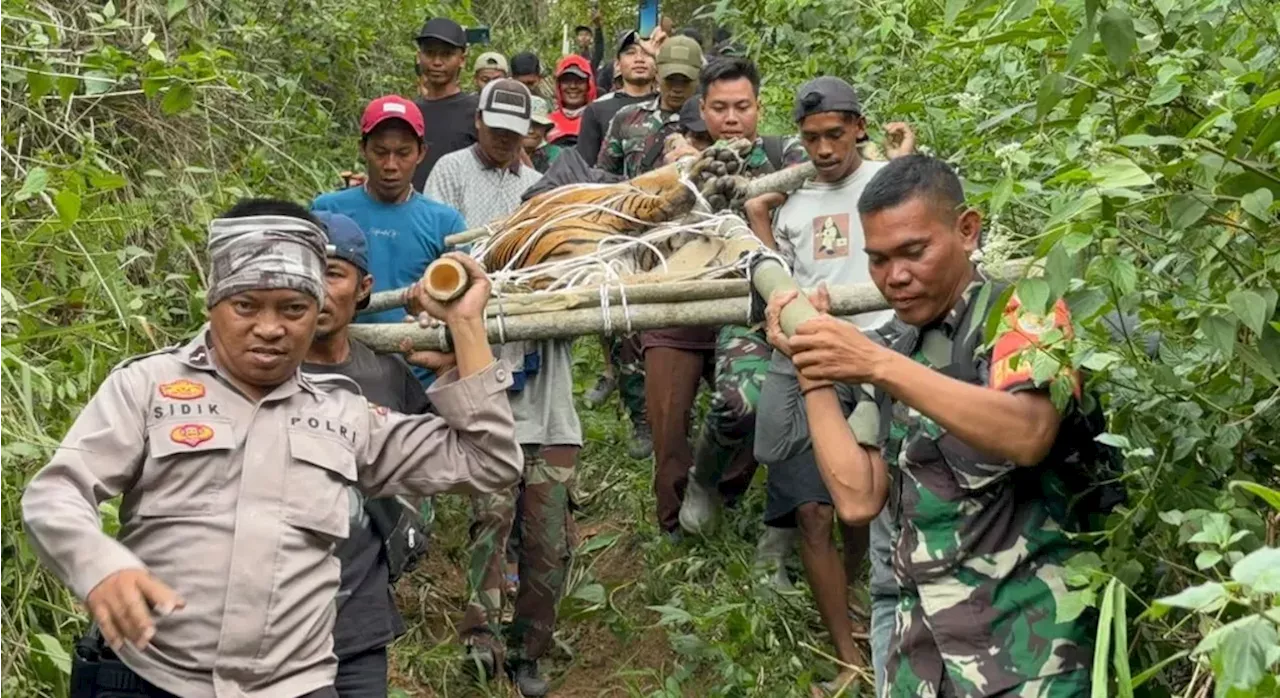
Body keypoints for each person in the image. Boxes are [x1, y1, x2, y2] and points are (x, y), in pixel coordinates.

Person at [22, 198, 521, 698]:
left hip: (295, 686)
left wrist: (466, 326)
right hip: (152, 679)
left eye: (293, 308)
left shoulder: (346, 413)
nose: (270, 327)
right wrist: (100, 567)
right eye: (246, 305)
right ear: (212, 302)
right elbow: (56, 494)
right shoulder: (148, 388)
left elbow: (489, 461)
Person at [764, 155, 1095, 697]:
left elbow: (1029, 432)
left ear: (967, 230)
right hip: (922, 657)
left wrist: (876, 366)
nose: (895, 276)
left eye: (914, 252)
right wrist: (813, 365)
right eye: (878, 260)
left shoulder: (1022, 312)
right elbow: (856, 497)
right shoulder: (897, 343)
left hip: (1030, 651)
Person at [748, 76, 914, 695]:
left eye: (834, 135)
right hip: (808, 353)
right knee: (810, 507)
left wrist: (907, 161)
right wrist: (760, 221)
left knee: (862, 507)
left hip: (878, 351)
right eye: (811, 138)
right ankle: (846, 652)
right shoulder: (789, 199)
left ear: (858, 127)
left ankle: (857, 609)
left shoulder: (883, 183)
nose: (822, 149)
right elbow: (776, 281)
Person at [424, 78, 572, 698]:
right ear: (477, 123)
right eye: (495, 131)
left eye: (516, 135)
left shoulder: (545, 192)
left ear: (529, 132)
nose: (505, 142)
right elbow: (441, 266)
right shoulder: (451, 176)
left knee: (550, 534)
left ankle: (530, 648)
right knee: (490, 516)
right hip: (483, 376)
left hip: (547, 388)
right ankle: (479, 638)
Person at [639, 56, 806, 545]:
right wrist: (677, 174)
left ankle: (721, 495)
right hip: (679, 308)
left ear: (758, 106)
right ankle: (673, 528)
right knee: (668, 421)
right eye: (719, 108)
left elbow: (827, 167)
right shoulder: (676, 160)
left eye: (742, 106)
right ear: (703, 108)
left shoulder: (784, 154)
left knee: (746, 409)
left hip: (751, 309)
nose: (731, 118)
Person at [306, 211, 436, 698]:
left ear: (363, 288)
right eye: (305, 269)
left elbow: (441, 456)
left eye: (332, 273)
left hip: (360, 622)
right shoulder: (260, 372)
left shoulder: (384, 372)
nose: (315, 288)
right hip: (276, 628)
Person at [311, 96, 466, 350]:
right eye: (380, 153)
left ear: (421, 153)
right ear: (363, 149)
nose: (391, 165)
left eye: (403, 153)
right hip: (335, 358)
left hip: (414, 365)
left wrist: (432, 308)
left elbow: (459, 299)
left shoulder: (446, 224)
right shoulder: (327, 210)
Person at [425, 79, 542, 226]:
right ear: (478, 119)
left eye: (513, 131)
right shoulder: (451, 170)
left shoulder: (535, 185)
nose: (504, 138)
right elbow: (434, 230)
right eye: (497, 129)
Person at [596, 34, 702, 178]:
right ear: (657, 74)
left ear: (698, 79)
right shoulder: (628, 117)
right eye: (670, 80)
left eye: (685, 81)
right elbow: (603, 175)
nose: (677, 88)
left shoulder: (711, 122)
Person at [411, 17, 480, 189]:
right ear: (419, 57)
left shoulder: (477, 111)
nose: (437, 62)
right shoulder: (411, 113)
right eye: (430, 53)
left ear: (462, 60)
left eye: (446, 54)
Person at [575, 29, 658, 166]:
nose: (639, 59)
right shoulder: (597, 110)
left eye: (647, 54)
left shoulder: (668, 105)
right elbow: (585, 168)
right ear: (618, 64)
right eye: (630, 53)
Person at [545, 55, 597, 151]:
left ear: (589, 85)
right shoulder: (546, 123)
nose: (573, 86)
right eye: (566, 80)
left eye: (579, 81)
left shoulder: (599, 122)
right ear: (558, 86)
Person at [524, 96, 556, 174]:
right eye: (526, 124)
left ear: (545, 128)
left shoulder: (556, 155)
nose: (530, 131)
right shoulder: (504, 154)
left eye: (536, 125)